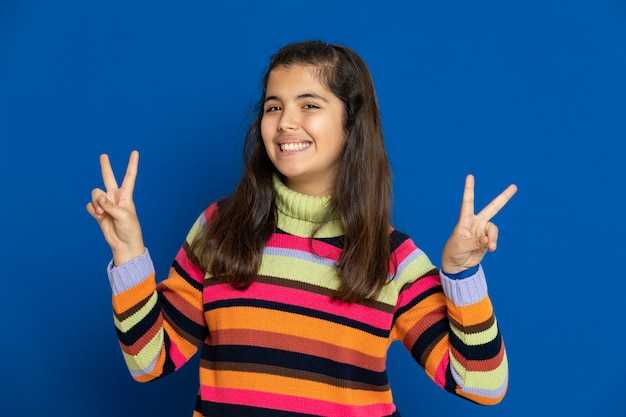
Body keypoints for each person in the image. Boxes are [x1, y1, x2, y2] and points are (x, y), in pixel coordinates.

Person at [87, 40, 517, 417]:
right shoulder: (219, 230)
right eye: (274, 106)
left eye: (309, 104)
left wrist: (462, 276)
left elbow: (482, 385)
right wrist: (128, 254)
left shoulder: (393, 260)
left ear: (352, 125)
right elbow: (149, 361)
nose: (286, 122)